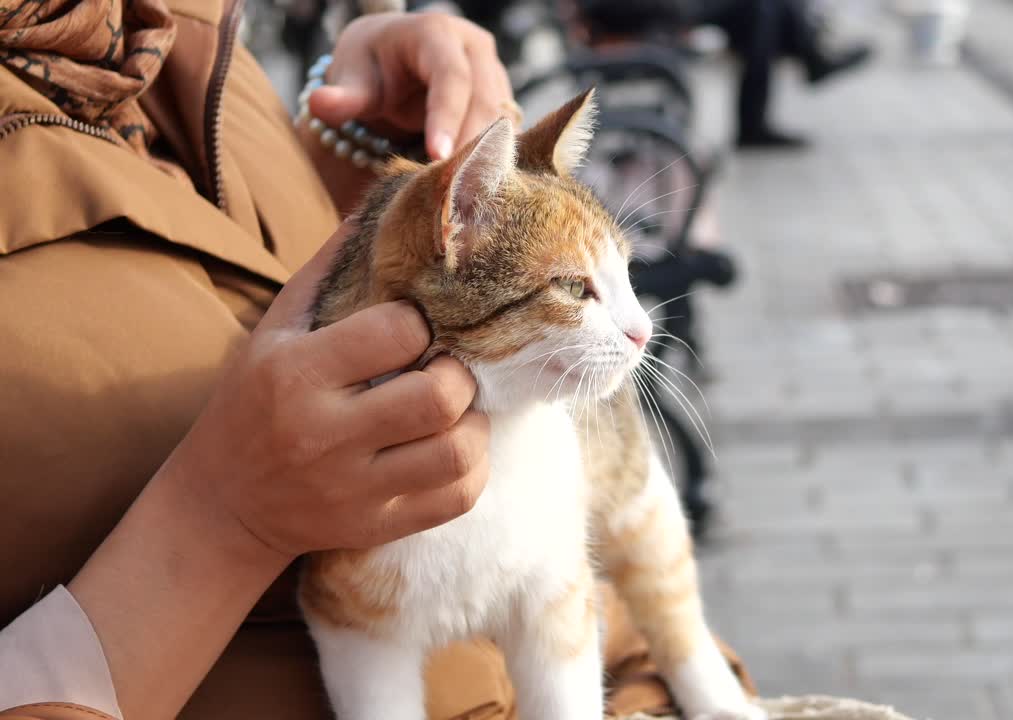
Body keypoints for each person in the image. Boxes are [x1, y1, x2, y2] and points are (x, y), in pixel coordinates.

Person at [0, 0, 751, 718]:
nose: (643, 328)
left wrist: (354, 155)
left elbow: (260, 275)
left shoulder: (165, 24)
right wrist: (225, 521)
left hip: (617, 670)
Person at [576, 0, 873, 149]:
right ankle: (810, 55)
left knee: (761, 12)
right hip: (628, 9)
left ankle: (808, 54)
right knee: (759, 10)